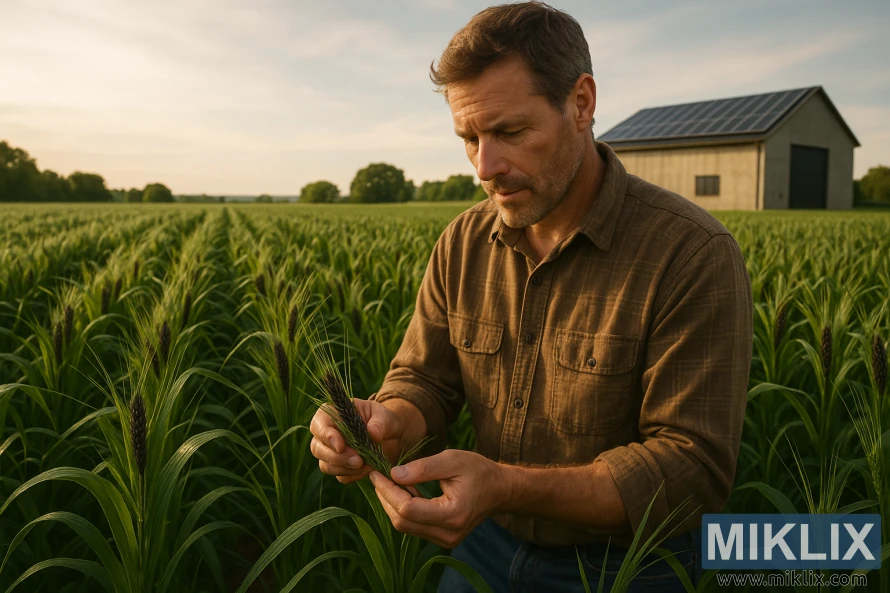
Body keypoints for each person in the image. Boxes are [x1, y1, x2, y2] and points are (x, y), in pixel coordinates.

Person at [309, 2, 753, 591]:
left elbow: (691, 467)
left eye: (510, 132)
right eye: (469, 138)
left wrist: (507, 484)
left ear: (581, 104)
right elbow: (426, 380)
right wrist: (389, 420)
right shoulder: (463, 242)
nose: (485, 166)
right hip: (484, 546)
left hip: (631, 565)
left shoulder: (690, 253)